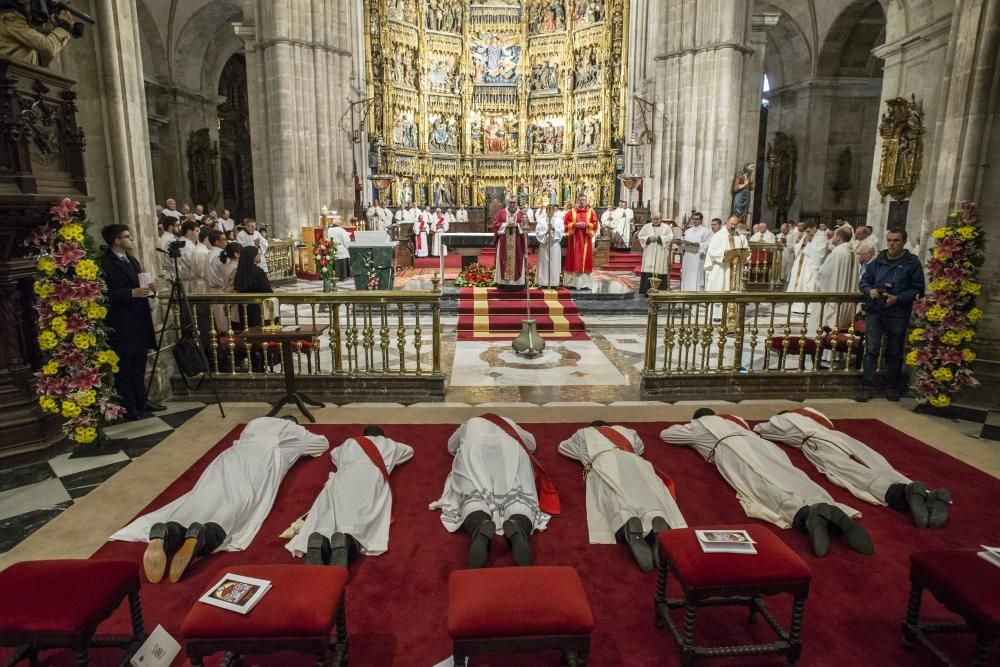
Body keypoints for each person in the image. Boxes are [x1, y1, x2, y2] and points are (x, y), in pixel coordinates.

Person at [110, 417, 329, 582]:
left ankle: (168, 530)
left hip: (227, 459)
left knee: (203, 496)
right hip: (261, 463)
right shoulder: (293, 431)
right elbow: (321, 444)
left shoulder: (254, 423)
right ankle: (203, 535)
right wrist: (303, 435)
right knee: (240, 503)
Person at [660, 409, 873, 558]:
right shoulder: (736, 422)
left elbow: (666, 435)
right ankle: (831, 509)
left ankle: (808, 515)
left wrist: (690, 427)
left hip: (732, 450)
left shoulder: (697, 426)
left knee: (761, 485)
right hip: (764, 446)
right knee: (791, 476)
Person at [753, 407, 951, 528]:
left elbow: (760, 429)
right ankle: (925, 495)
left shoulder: (779, 422)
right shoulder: (812, 416)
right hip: (840, 437)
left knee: (851, 472)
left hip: (817, 444)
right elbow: (826, 421)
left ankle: (900, 494)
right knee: (878, 465)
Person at [430, 414, 555, 568]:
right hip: (510, 450)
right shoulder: (508, 421)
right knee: (517, 490)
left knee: (473, 491)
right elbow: (531, 444)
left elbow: (451, 447)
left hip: (475, 449)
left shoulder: (471, 422)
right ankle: (518, 525)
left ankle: (479, 524)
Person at [558, 421, 687, 571]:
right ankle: (656, 519)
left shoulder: (583, 433)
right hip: (635, 461)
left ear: (593, 426)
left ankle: (627, 520)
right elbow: (640, 448)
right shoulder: (628, 431)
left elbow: (563, 448)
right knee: (647, 493)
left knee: (614, 495)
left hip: (603, 461)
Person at [288, 425, 414, 567]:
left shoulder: (349, 442)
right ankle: (348, 541)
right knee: (363, 514)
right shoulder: (390, 444)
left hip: (344, 476)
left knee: (330, 510)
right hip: (370, 479)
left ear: (363, 435)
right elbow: (409, 451)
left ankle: (320, 539)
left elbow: (335, 455)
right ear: (382, 436)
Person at [99, 224, 163, 422]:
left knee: (139, 364)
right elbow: (103, 294)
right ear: (117, 240)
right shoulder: (105, 264)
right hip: (122, 322)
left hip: (139, 320)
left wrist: (148, 288)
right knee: (124, 367)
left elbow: (138, 286)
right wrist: (131, 293)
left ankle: (142, 400)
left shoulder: (132, 260)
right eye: (127, 236)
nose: (132, 239)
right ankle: (129, 407)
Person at [858, 227, 925, 402]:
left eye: (896, 241)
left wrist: (898, 298)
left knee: (894, 351)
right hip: (876, 311)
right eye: (889, 240)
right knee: (871, 350)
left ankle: (892, 387)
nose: (892, 244)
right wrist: (869, 290)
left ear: (903, 242)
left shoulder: (912, 263)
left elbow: (918, 289)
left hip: (897, 312)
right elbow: (864, 280)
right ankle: (867, 386)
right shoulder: (878, 260)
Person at [807, 225, 859, 335]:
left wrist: (818, 275)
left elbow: (824, 275)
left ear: (839, 238)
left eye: (834, 235)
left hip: (834, 299)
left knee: (827, 328)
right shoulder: (852, 253)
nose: (832, 238)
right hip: (846, 301)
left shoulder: (837, 253)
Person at [0, 1, 74, 67]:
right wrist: (64, 28)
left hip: (19, 74)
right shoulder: (12, 17)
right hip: (9, 75)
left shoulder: (26, 16)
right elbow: (48, 47)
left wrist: (57, 24)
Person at [704, 215, 750, 292]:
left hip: (735, 267)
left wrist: (744, 257)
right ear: (727, 222)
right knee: (719, 287)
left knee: (734, 288)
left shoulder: (740, 236)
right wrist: (725, 253)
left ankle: (733, 303)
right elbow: (712, 251)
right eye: (731, 224)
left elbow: (747, 250)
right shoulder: (718, 235)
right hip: (721, 267)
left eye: (735, 224)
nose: (733, 226)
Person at [563, 194, 599, 290]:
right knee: (573, 258)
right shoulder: (571, 212)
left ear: (586, 201)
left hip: (586, 240)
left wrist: (586, 225)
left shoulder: (591, 212)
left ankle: (585, 284)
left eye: (584, 200)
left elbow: (595, 224)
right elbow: (565, 224)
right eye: (580, 200)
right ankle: (571, 283)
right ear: (577, 200)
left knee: (585, 260)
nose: (582, 201)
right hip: (573, 240)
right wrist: (575, 225)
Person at [233, 245, 273, 330]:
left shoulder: (240, 271)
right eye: (258, 254)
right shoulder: (257, 272)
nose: (260, 255)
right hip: (257, 307)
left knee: (247, 329)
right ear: (252, 256)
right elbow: (267, 290)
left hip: (244, 307)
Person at [492, 197, 527, 291]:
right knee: (503, 259)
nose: (512, 204)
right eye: (510, 202)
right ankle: (503, 284)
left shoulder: (521, 213)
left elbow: (526, 225)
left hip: (517, 242)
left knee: (518, 259)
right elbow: (495, 224)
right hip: (504, 241)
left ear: (516, 203)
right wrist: (505, 225)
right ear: (507, 203)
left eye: (513, 202)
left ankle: (518, 284)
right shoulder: (501, 212)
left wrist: (517, 225)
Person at [637, 213, 674, 295]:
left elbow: (670, 237)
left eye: (657, 219)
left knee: (659, 268)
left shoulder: (666, 227)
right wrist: (648, 238)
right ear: (651, 219)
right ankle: (646, 291)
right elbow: (640, 236)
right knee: (648, 270)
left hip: (661, 252)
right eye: (654, 219)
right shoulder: (646, 226)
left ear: (661, 218)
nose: (656, 220)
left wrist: (659, 238)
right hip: (649, 251)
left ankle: (660, 292)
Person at [679, 211, 712, 291]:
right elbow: (682, 241)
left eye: (696, 219)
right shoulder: (688, 231)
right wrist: (681, 243)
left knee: (696, 276)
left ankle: (695, 293)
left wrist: (699, 244)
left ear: (701, 220)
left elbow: (709, 244)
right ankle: (685, 292)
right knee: (687, 275)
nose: (694, 221)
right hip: (687, 256)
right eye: (693, 219)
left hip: (698, 256)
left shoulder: (706, 231)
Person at [534, 203, 562, 288]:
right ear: (546, 211)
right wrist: (546, 232)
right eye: (548, 210)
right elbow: (538, 232)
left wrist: (554, 229)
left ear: (554, 211)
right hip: (544, 245)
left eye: (552, 209)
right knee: (544, 264)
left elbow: (561, 231)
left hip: (554, 245)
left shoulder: (559, 220)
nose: (550, 211)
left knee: (554, 263)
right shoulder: (541, 221)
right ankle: (543, 282)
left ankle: (553, 283)